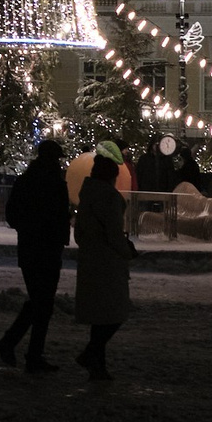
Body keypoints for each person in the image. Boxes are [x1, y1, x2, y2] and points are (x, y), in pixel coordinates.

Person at [0, 138, 69, 372]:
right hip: (48, 249)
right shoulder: (55, 182)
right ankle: (23, 350)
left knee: (39, 302)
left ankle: (21, 348)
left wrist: (28, 229)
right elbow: (59, 216)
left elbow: (12, 215)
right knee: (42, 303)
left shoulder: (25, 181)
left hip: (30, 249)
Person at [72, 142, 136, 380]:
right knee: (114, 314)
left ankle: (97, 363)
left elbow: (79, 233)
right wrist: (127, 251)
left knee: (100, 318)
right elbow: (113, 234)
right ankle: (91, 356)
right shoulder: (109, 198)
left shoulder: (86, 196)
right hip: (108, 264)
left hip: (90, 261)